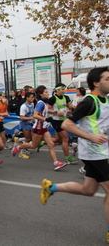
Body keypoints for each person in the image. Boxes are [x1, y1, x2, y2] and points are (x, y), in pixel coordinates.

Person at [40, 67, 109, 243]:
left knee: (89, 190)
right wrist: (90, 136)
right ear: (96, 83)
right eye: (107, 79)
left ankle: (50, 188)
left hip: (102, 151)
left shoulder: (105, 100)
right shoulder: (89, 101)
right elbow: (68, 125)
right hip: (93, 153)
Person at [12, 85, 67, 170]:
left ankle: (56, 163)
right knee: (34, 146)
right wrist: (45, 118)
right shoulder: (40, 103)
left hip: (44, 127)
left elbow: (46, 110)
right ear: (41, 94)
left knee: (51, 144)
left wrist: (55, 112)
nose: (48, 93)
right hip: (38, 127)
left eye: (47, 92)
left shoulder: (44, 102)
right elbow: (35, 115)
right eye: (46, 92)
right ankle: (18, 147)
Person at [47, 83, 77, 164]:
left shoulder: (65, 97)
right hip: (56, 121)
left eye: (64, 89)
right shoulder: (53, 99)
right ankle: (67, 158)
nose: (64, 91)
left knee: (58, 139)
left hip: (64, 120)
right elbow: (47, 109)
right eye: (62, 89)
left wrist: (74, 107)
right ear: (57, 90)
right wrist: (56, 112)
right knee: (66, 139)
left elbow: (69, 106)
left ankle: (42, 141)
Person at [18, 92, 35, 158]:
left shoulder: (32, 104)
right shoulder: (23, 106)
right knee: (27, 138)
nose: (33, 99)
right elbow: (21, 117)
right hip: (24, 123)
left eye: (33, 97)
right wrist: (32, 118)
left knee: (30, 138)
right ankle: (21, 152)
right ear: (27, 98)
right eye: (31, 97)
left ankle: (18, 140)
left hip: (30, 123)